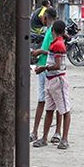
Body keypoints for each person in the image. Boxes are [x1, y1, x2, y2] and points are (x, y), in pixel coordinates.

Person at [36, 19, 71, 150]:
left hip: (57, 79)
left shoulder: (58, 44)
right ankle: (45, 137)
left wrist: (44, 68)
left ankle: (64, 138)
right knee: (50, 109)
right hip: (52, 79)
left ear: (53, 31)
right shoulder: (57, 43)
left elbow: (57, 65)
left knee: (64, 109)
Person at [30, 8, 62, 142]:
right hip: (44, 67)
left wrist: (40, 52)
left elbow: (54, 51)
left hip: (48, 68)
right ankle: (39, 132)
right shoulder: (50, 31)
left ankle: (51, 132)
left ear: (45, 18)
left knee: (52, 101)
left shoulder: (53, 31)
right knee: (47, 101)